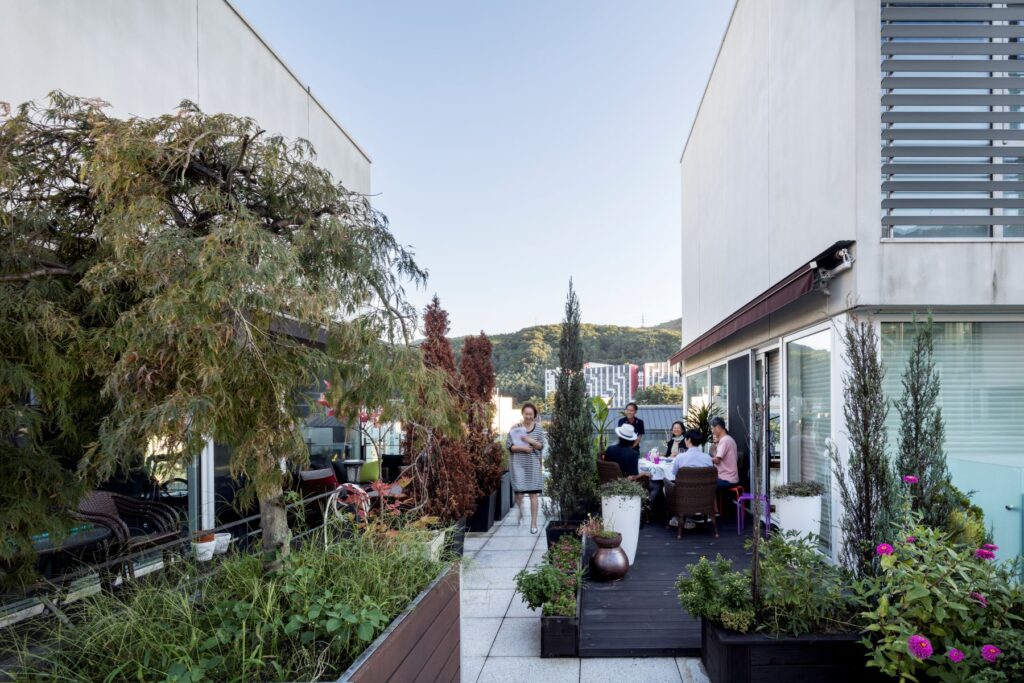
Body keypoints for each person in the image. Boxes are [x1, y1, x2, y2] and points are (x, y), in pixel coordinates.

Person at [506, 403, 545, 534]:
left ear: (534, 415)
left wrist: (530, 440)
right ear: (522, 413)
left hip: (533, 465)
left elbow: (541, 446)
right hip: (518, 465)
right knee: (519, 494)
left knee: (534, 494)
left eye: (531, 414)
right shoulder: (515, 428)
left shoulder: (538, 429)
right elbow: (509, 446)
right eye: (526, 414)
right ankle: (520, 512)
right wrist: (523, 448)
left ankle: (533, 524)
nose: (528, 416)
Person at [664, 429, 713, 528]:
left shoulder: (680, 457)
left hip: (684, 497)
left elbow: (674, 473)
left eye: (685, 439)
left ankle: (677, 517)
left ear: (689, 440)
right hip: (704, 497)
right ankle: (688, 518)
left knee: (665, 485)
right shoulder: (707, 457)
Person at [710, 416, 740, 494]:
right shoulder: (729, 439)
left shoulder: (725, 440)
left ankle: (714, 507)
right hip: (731, 478)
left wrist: (703, 459)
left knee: (705, 485)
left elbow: (717, 460)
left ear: (717, 428)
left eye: (712, 428)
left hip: (727, 479)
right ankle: (715, 506)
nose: (712, 431)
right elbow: (718, 457)